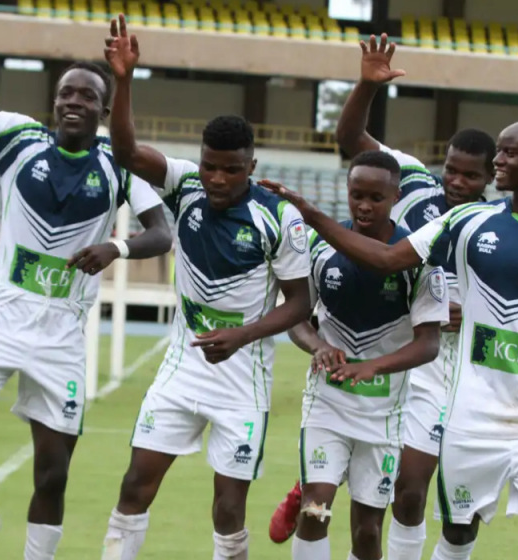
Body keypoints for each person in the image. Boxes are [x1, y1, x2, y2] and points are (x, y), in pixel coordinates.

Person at [262, 118, 518, 560]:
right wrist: (314, 215)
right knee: (444, 527)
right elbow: (387, 258)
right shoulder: (465, 221)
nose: (498, 160)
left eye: (510, 152)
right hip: (465, 413)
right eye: (498, 151)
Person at [0, 2, 173, 560]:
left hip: (62, 333)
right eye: (65, 93)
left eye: (87, 96)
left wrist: (116, 247)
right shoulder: (16, 138)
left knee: (52, 474)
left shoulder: (120, 162)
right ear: (54, 102)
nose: (73, 101)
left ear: (104, 109)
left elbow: (162, 234)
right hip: (3, 315)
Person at [269, 35, 497, 560]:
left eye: (471, 175)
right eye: (452, 169)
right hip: (383, 347)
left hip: (439, 359)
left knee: (409, 495)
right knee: (368, 499)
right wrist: (368, 85)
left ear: (491, 179)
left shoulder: (490, 225)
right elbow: (351, 138)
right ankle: (319, 478)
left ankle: (323, 479)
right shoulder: (409, 181)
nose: (457, 181)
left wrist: (468, 313)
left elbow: (502, 297)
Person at [98, 15, 312, 560]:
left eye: (231, 170)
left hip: (243, 381)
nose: (217, 178)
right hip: (182, 368)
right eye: (210, 166)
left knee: (228, 508)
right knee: (134, 485)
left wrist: (243, 335)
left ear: (251, 166)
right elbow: (126, 154)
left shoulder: (278, 218)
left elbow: (300, 303)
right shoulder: (185, 185)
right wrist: (123, 79)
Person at [286, 150, 448, 560]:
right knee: (315, 510)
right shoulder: (319, 247)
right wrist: (319, 346)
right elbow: (296, 317)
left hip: (384, 417)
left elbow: (429, 343)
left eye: (376, 198)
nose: (364, 205)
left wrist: (372, 367)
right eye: (357, 194)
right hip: (327, 405)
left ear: (396, 196)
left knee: (368, 531)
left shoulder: (419, 259)